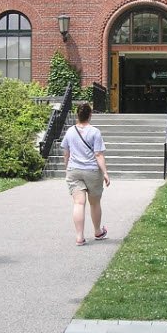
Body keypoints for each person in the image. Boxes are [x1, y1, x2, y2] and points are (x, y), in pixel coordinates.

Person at [61, 102, 110, 246]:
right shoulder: (95, 132)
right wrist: (105, 173)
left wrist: (67, 168)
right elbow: (99, 155)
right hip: (92, 171)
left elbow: (66, 153)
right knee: (94, 203)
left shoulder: (70, 131)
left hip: (74, 170)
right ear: (90, 115)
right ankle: (97, 231)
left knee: (78, 203)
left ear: (77, 115)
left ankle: (79, 237)